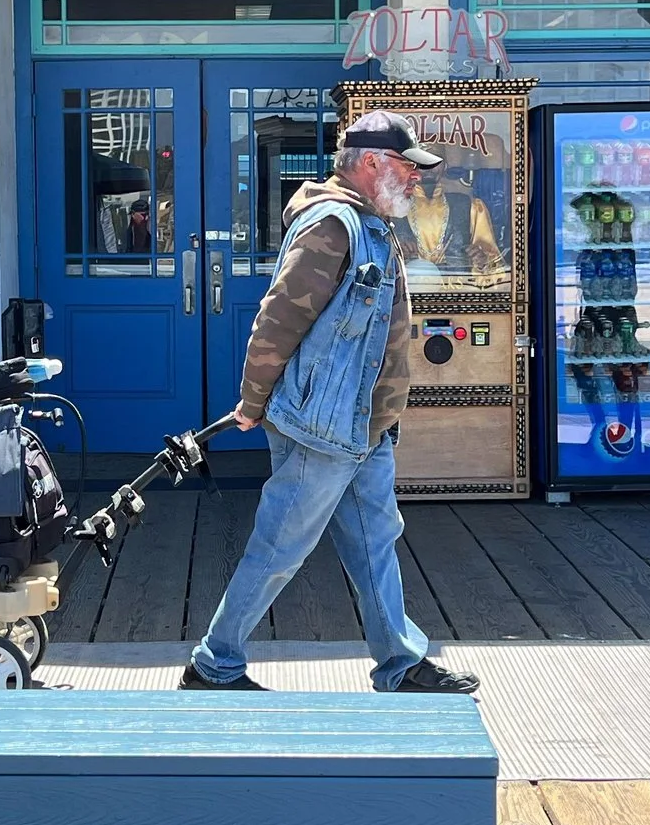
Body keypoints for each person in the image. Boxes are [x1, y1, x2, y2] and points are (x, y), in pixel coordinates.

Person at [183, 110, 478, 697]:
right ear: (370, 164)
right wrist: (252, 401)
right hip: (323, 429)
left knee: (375, 541)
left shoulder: (371, 223)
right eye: (406, 167)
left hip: (363, 426)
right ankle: (214, 664)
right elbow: (279, 320)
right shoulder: (333, 225)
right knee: (280, 545)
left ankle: (399, 662)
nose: (417, 179)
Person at [404, 157, 503, 277]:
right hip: (408, 293)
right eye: (421, 160)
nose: (428, 167)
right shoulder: (392, 207)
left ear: (445, 166)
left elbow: (497, 270)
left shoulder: (470, 206)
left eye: (435, 161)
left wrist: (482, 261)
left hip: (459, 292)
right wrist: (397, 255)